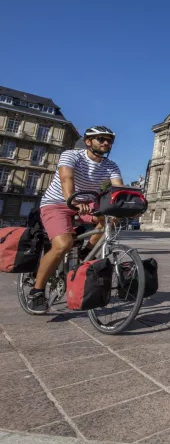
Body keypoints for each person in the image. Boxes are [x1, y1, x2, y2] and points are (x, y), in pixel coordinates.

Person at [27, 126, 123, 314]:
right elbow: (66, 178)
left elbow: (119, 189)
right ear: (88, 141)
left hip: (87, 204)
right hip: (57, 203)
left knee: (111, 221)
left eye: (109, 140)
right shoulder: (71, 155)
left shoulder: (111, 165)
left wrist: (130, 206)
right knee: (63, 244)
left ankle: (85, 252)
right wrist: (73, 201)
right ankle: (36, 291)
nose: (106, 143)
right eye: (101, 139)